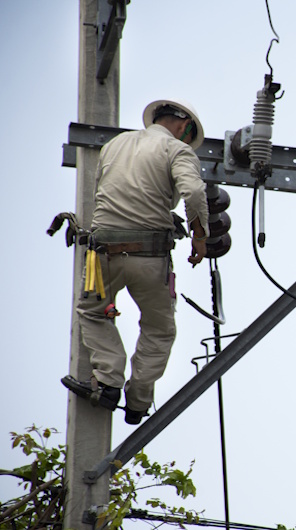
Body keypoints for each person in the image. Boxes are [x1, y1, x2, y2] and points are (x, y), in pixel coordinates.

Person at [62, 99, 210, 425]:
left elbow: (117, 193)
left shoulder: (114, 145)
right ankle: (139, 400)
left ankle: (109, 382)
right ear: (183, 125)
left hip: (102, 254)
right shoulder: (177, 150)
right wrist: (200, 236)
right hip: (149, 256)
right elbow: (194, 193)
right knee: (159, 329)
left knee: (92, 312)